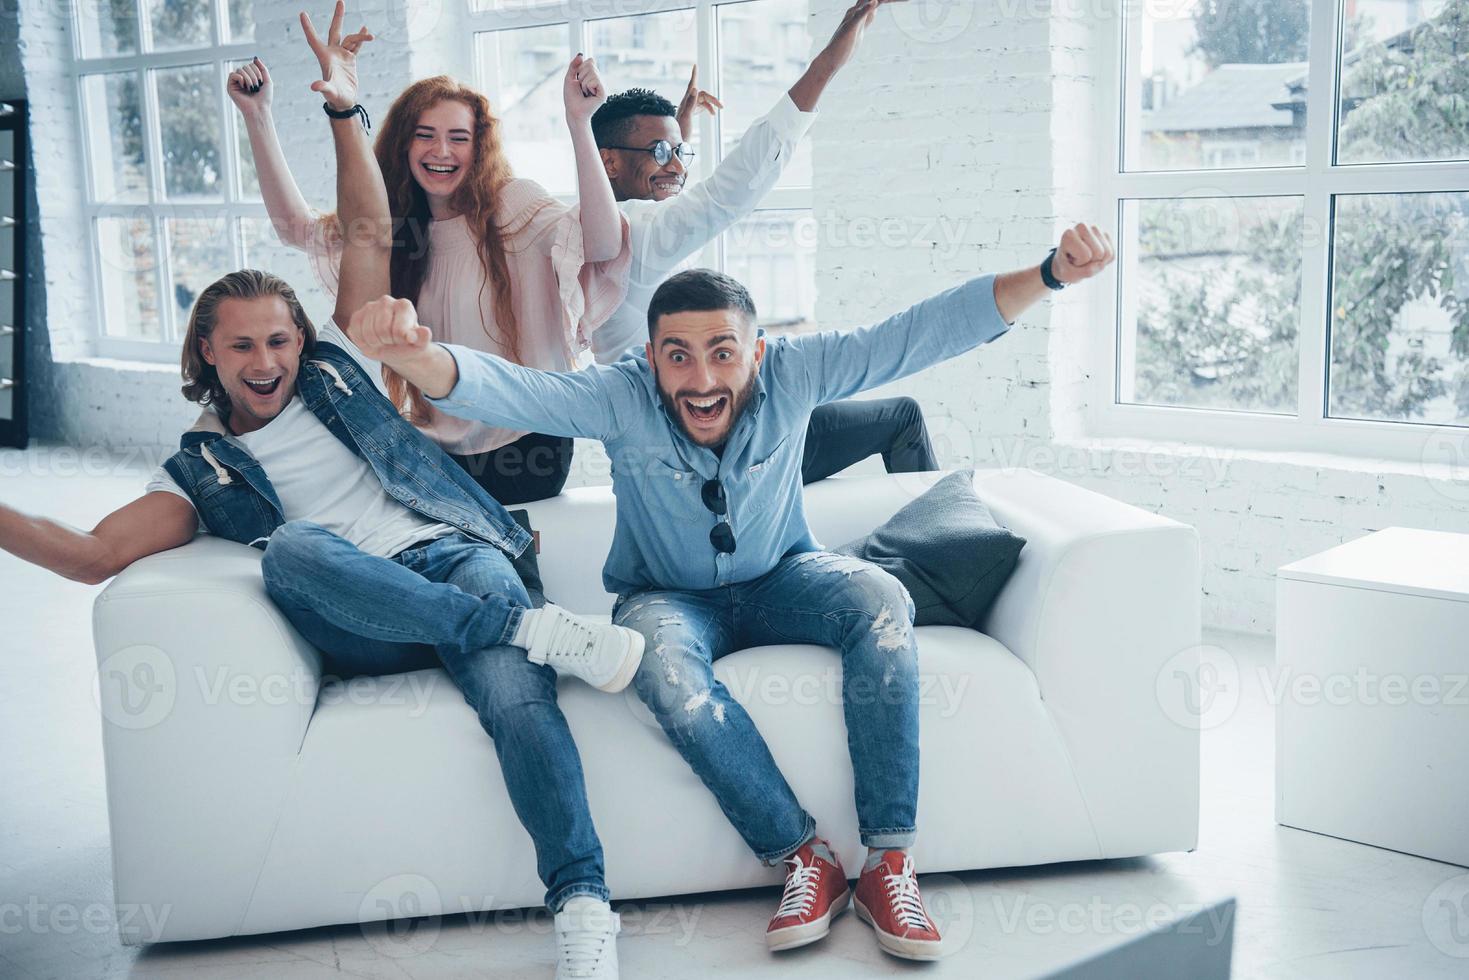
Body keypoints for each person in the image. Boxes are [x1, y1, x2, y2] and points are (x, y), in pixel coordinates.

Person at [0, 9, 642, 978]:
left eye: (279, 337)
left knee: (515, 693)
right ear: (205, 353)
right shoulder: (203, 467)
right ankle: (520, 626)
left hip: (449, 553)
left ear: (303, 337)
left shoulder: (339, 364)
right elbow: (91, 553)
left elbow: (369, 224)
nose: (268, 359)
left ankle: (583, 900)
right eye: (244, 344)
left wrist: (343, 103)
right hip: (357, 605)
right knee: (292, 554)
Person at [343, 216, 1117, 960]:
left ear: (757, 351)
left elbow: (914, 335)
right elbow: (514, 391)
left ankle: (888, 865)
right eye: (677, 356)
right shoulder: (620, 395)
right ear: (649, 358)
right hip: (664, 598)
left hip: (784, 578)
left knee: (879, 599)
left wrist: (1049, 274)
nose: (702, 377)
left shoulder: (797, 372)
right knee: (659, 665)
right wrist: (415, 357)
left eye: (722, 353)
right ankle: (802, 858)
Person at [228, 1, 630, 505]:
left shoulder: (512, 206)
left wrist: (579, 122)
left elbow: (604, 242)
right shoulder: (395, 225)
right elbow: (297, 229)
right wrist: (258, 117)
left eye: (458, 138)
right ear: (403, 145)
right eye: (426, 136)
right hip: (433, 445)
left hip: (528, 443)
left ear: (479, 148)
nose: (442, 152)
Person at [589, 0, 939, 486]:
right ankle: (945, 545)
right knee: (902, 416)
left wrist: (674, 137)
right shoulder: (640, 232)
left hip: (672, 446)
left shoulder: (601, 232)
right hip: (725, 446)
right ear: (608, 162)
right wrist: (827, 64)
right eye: (659, 152)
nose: (676, 165)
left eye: (680, 153)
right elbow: (730, 192)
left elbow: (670, 211)